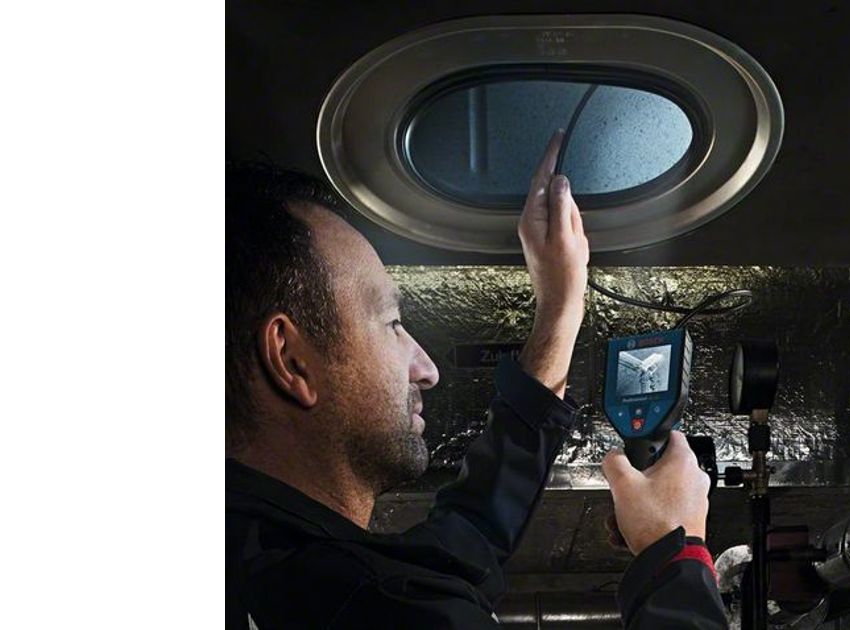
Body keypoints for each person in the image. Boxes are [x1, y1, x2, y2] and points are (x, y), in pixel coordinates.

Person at [226, 134, 726, 628]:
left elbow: (458, 549)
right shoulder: (373, 607)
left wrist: (560, 307)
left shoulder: (271, 561)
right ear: (291, 359)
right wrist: (676, 555)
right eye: (392, 324)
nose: (427, 369)